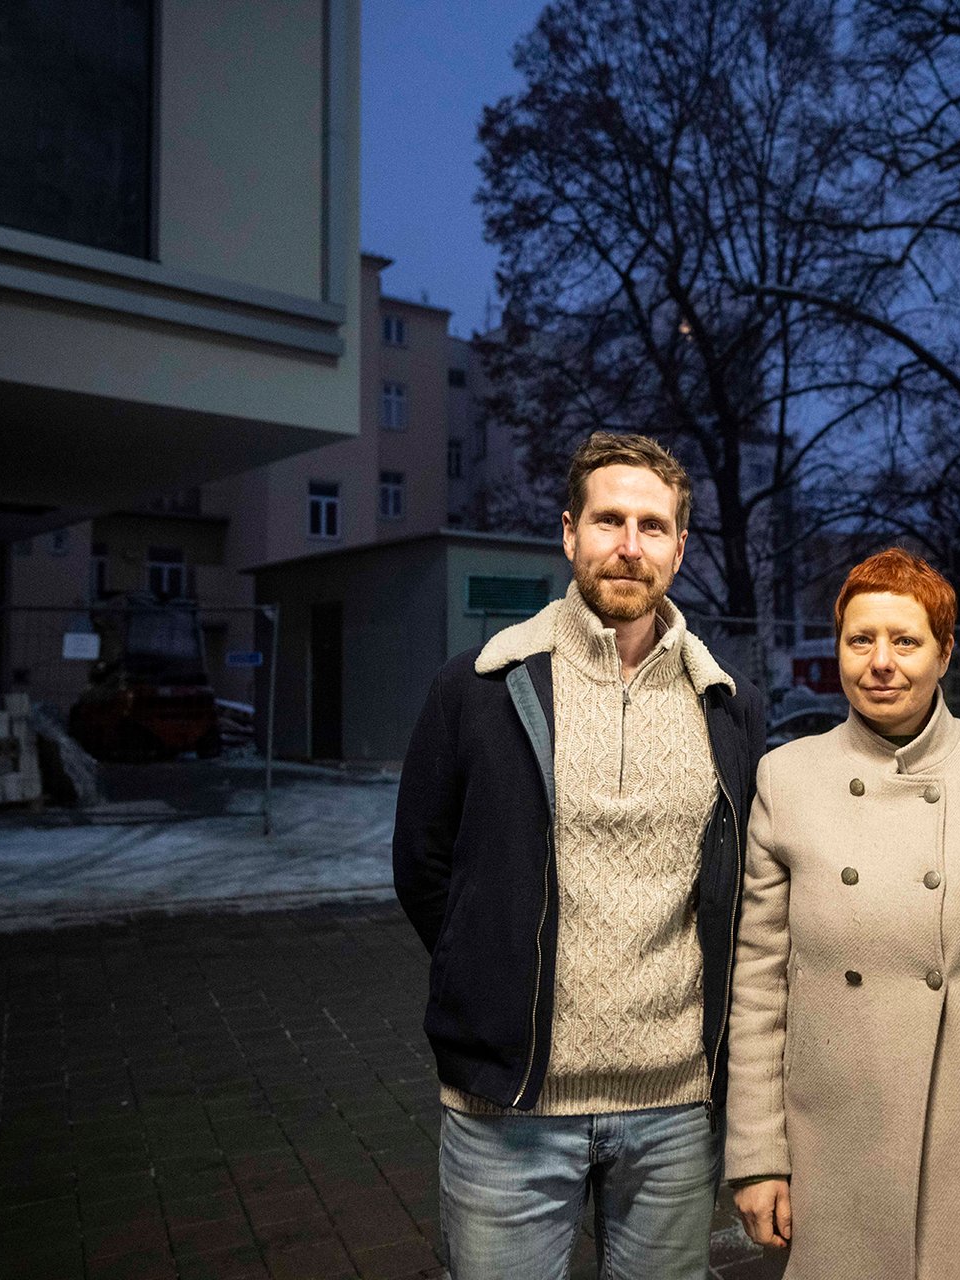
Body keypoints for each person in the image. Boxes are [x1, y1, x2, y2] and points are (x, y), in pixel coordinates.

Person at [391, 432, 765, 1280]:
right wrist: (487, 981)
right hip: (511, 1107)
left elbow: (735, 884)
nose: (629, 546)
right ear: (569, 533)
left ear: (679, 547)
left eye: (652, 526)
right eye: (608, 521)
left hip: (676, 1109)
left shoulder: (727, 704)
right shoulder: (480, 687)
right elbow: (423, 867)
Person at [724, 548, 960, 1279]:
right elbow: (760, 988)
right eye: (860, 640)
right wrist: (758, 1155)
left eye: (906, 641)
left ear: (944, 652)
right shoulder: (787, 777)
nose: (881, 663)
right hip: (834, 1138)